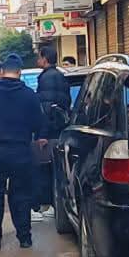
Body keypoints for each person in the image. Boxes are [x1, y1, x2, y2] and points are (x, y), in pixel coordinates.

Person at [0, 54, 46, 250]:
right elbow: (38, 123)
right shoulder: (30, 95)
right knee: (21, 195)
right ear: (19, 72)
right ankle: (24, 238)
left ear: (1, 71)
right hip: (20, 150)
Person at [34, 46, 74, 219]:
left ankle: (50, 204)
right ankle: (55, 204)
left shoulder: (47, 78)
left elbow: (46, 108)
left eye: (39, 57)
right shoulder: (59, 76)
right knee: (57, 169)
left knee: (47, 169)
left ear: (44, 59)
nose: (37, 60)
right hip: (60, 129)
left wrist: (43, 134)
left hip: (50, 132)